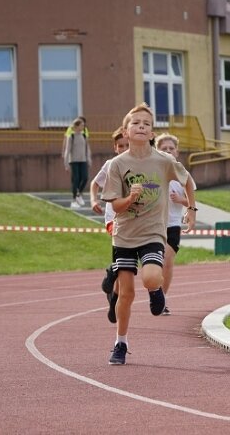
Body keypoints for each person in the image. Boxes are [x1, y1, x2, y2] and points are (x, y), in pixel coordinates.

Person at [101, 103, 196, 364]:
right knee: (126, 293)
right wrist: (129, 198)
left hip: (154, 232)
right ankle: (120, 343)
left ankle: (156, 292)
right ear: (126, 130)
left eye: (146, 124)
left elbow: (187, 179)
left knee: (152, 276)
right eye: (136, 123)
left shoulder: (163, 161)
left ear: (152, 132)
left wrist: (192, 208)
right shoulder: (117, 165)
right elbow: (115, 206)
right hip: (124, 235)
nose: (141, 127)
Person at [154, 132, 196, 315]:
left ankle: (162, 298)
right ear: (157, 151)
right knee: (154, 264)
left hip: (172, 224)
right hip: (152, 224)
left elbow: (191, 201)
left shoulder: (182, 174)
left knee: (167, 261)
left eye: (171, 148)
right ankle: (154, 292)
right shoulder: (151, 171)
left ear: (177, 152)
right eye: (164, 148)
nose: (168, 151)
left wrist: (181, 200)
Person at [92, 126, 129, 322]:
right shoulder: (110, 165)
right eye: (120, 146)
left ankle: (113, 295)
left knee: (126, 266)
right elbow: (95, 184)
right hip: (113, 218)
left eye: (127, 145)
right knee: (122, 259)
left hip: (134, 220)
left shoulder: (139, 165)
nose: (124, 149)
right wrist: (93, 200)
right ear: (115, 147)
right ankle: (112, 272)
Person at [62, 118, 90, 208]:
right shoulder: (72, 137)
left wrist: (89, 159)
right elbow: (67, 151)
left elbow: (87, 148)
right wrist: (66, 164)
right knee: (76, 179)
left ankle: (79, 195)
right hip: (74, 161)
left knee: (85, 178)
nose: (83, 126)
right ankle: (74, 200)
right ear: (77, 126)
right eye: (81, 125)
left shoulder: (84, 136)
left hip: (83, 160)